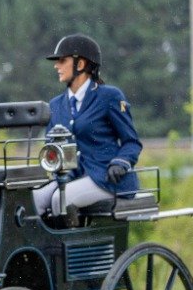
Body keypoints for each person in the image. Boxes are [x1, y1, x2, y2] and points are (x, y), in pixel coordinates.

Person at [33, 34, 142, 215]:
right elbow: (50, 144)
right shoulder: (55, 105)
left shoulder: (109, 96)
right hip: (70, 177)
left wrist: (120, 163)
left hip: (106, 178)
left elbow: (132, 142)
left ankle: (66, 243)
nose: (56, 66)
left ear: (81, 64)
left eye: (62, 61)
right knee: (34, 200)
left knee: (60, 199)